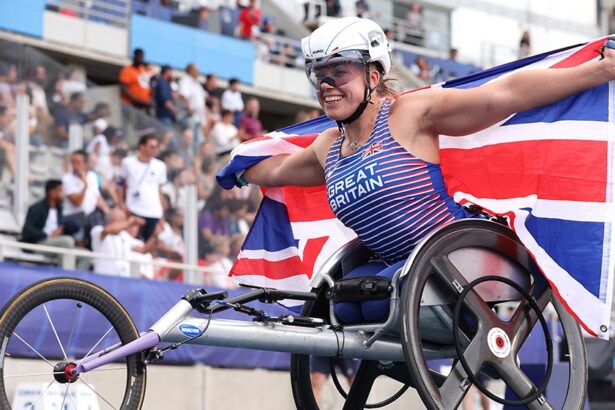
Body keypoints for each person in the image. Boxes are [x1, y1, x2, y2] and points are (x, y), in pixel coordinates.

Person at [236, 16, 615, 325]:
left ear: (372, 76)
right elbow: (279, 169)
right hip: (397, 270)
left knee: (376, 300)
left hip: (457, 264)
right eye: (318, 73)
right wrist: (237, 166)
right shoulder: (327, 147)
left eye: (340, 70)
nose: (326, 83)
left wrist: (599, 72)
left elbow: (504, 94)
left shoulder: (408, 114)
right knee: (343, 304)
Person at [117, 133, 167, 241]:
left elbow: (159, 190)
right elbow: (120, 184)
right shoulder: (127, 162)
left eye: (156, 147)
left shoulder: (160, 166)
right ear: (142, 146)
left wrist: (162, 214)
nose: (154, 150)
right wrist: (121, 203)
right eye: (151, 146)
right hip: (134, 208)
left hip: (153, 211)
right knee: (132, 240)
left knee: (149, 242)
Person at [62, 150, 109, 244]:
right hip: (74, 218)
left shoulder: (93, 176)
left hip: (91, 218)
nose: (75, 166)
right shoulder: (67, 178)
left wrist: (108, 212)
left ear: (86, 163)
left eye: (78, 163)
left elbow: (97, 196)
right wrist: (85, 185)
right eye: (73, 162)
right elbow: (77, 202)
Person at [21, 179, 76, 251]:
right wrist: (47, 235)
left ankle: (64, 261)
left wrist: (62, 229)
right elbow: (27, 230)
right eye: (60, 190)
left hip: (54, 242)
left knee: (84, 255)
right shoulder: (37, 208)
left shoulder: (59, 209)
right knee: (67, 242)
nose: (63, 193)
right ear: (51, 192)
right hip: (37, 243)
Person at [178, 63, 207, 146]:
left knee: (197, 142)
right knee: (190, 141)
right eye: (196, 70)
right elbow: (183, 96)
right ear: (190, 70)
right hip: (188, 117)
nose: (198, 72)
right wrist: (189, 109)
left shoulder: (196, 83)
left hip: (197, 118)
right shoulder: (185, 80)